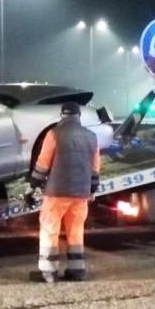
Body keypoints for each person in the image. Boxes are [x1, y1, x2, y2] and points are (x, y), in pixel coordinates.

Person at [28, 101, 101, 283]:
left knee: (50, 230)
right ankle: (77, 271)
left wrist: (34, 183)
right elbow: (95, 168)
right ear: (79, 116)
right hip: (80, 193)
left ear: (62, 115)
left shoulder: (54, 134)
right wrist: (92, 189)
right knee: (76, 231)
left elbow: (43, 163)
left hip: (56, 192)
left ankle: (49, 272)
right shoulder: (91, 137)